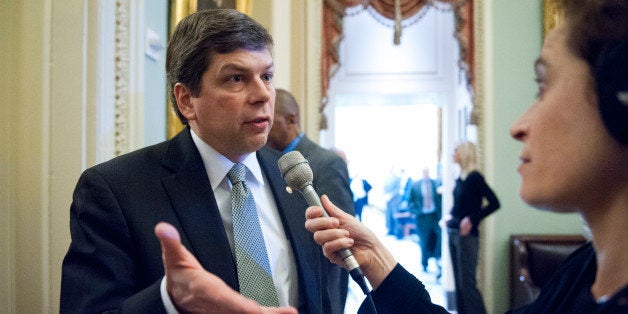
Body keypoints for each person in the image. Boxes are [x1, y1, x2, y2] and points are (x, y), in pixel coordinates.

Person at [304, 0, 628, 313]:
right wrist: (377, 258)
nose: (518, 126)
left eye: (541, 87)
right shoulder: (581, 272)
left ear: (619, 101)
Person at [60, 9, 347, 313]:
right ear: (186, 100)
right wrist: (170, 300)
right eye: (236, 78)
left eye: (267, 76)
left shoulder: (295, 180)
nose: (263, 94)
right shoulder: (114, 191)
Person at [266, 88, 355, 219]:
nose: (263, 127)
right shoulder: (264, 161)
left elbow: (343, 225)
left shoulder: (328, 163)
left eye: (269, 120)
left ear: (291, 120)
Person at [446, 141, 500, 314]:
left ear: (464, 154)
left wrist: (471, 219)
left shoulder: (475, 177)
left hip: (467, 237)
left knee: (467, 285)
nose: (453, 154)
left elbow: (494, 203)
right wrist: (450, 216)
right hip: (453, 233)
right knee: (459, 286)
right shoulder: (461, 177)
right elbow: (460, 206)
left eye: (455, 151)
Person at [407, 167, 442, 278]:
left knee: (440, 237)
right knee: (424, 241)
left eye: (427, 171)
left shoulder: (435, 183)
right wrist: (414, 211)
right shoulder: (415, 185)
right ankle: (424, 263)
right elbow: (409, 200)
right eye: (424, 172)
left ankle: (437, 257)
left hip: (434, 216)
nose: (426, 174)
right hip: (422, 218)